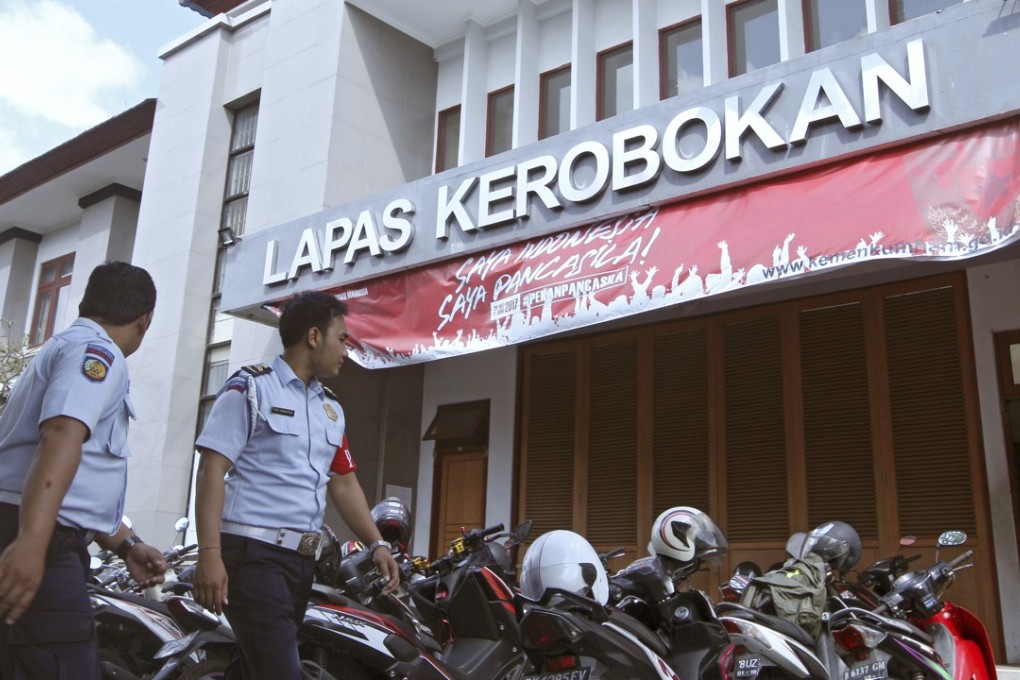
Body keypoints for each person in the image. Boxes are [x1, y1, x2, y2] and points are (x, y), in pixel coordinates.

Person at [193, 290, 400, 680]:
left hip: (302, 564)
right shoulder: (251, 389)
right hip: (253, 555)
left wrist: (378, 543)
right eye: (341, 338)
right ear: (313, 336)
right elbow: (211, 471)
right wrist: (209, 554)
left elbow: (343, 483)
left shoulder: (331, 408)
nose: (347, 348)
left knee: (254, 668)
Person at [0, 261, 166, 680]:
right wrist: (33, 542)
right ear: (144, 320)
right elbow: (61, 435)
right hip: (38, 540)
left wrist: (126, 545)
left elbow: (74, 479)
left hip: (32, 531)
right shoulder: (98, 353)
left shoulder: (66, 346)